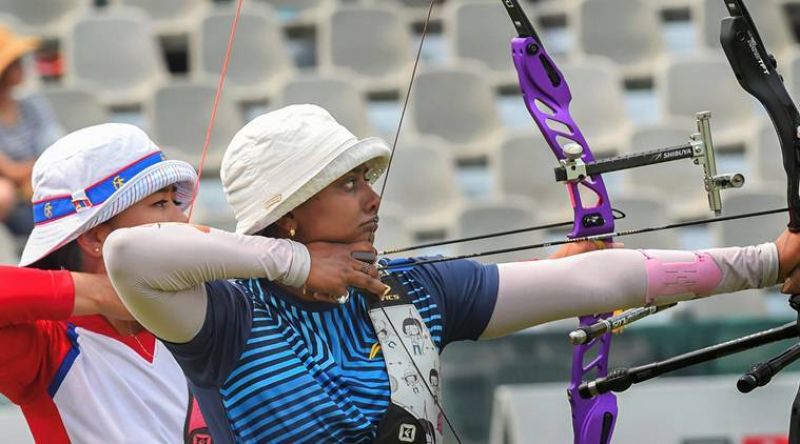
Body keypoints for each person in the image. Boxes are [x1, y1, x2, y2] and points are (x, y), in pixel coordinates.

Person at [103, 105, 800, 444]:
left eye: (366, 180)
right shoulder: (224, 317)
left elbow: (598, 284)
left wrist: (766, 263)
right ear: (288, 214)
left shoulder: (410, 289)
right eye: (348, 184)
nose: (373, 196)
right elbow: (129, 257)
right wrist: (292, 263)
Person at [1, 123, 214, 443]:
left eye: (175, 201)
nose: (182, 219)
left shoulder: (201, 312)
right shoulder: (48, 345)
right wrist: (101, 293)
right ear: (95, 237)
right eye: (160, 204)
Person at [0, 25, 63, 236]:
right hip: (13, 200)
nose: (22, 67)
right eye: (14, 63)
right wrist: (32, 170)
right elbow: (10, 171)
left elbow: (56, 150)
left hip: (38, 187)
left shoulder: (33, 105)